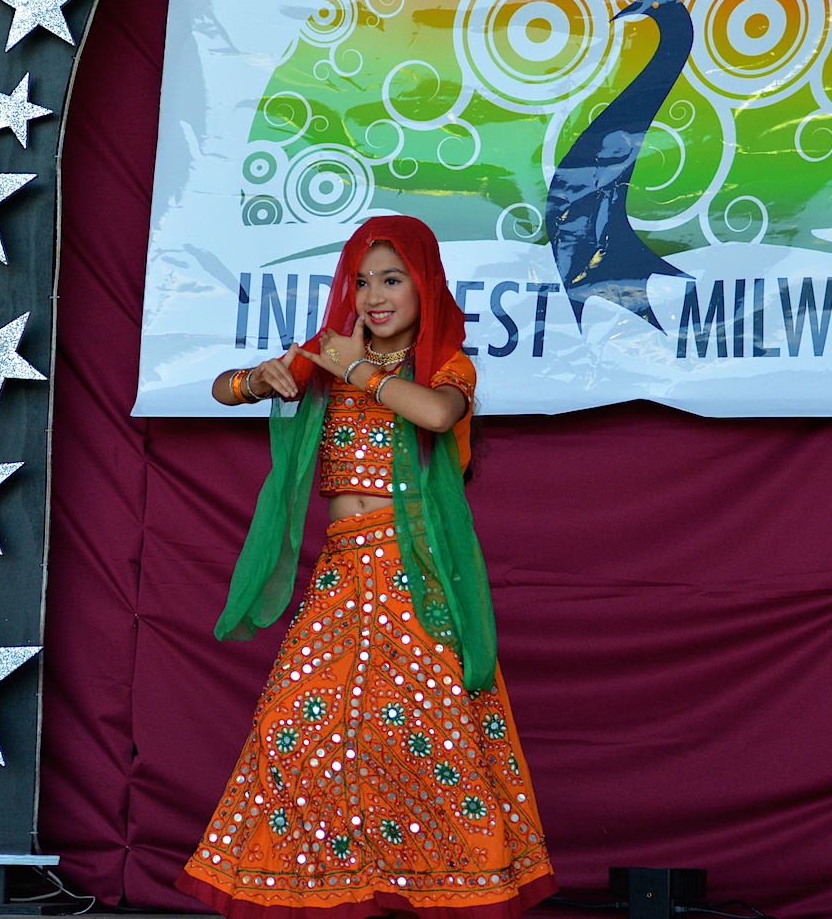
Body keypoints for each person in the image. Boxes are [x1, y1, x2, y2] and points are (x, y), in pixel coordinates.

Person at [177, 215, 556, 919]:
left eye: (392, 279)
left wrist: (354, 370)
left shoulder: (443, 364)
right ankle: (333, 886)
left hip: (416, 573)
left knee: (429, 737)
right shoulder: (327, 351)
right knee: (297, 724)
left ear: (425, 285)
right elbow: (222, 390)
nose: (375, 296)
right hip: (342, 574)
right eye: (362, 281)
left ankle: (453, 889)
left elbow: (437, 416)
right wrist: (256, 380)